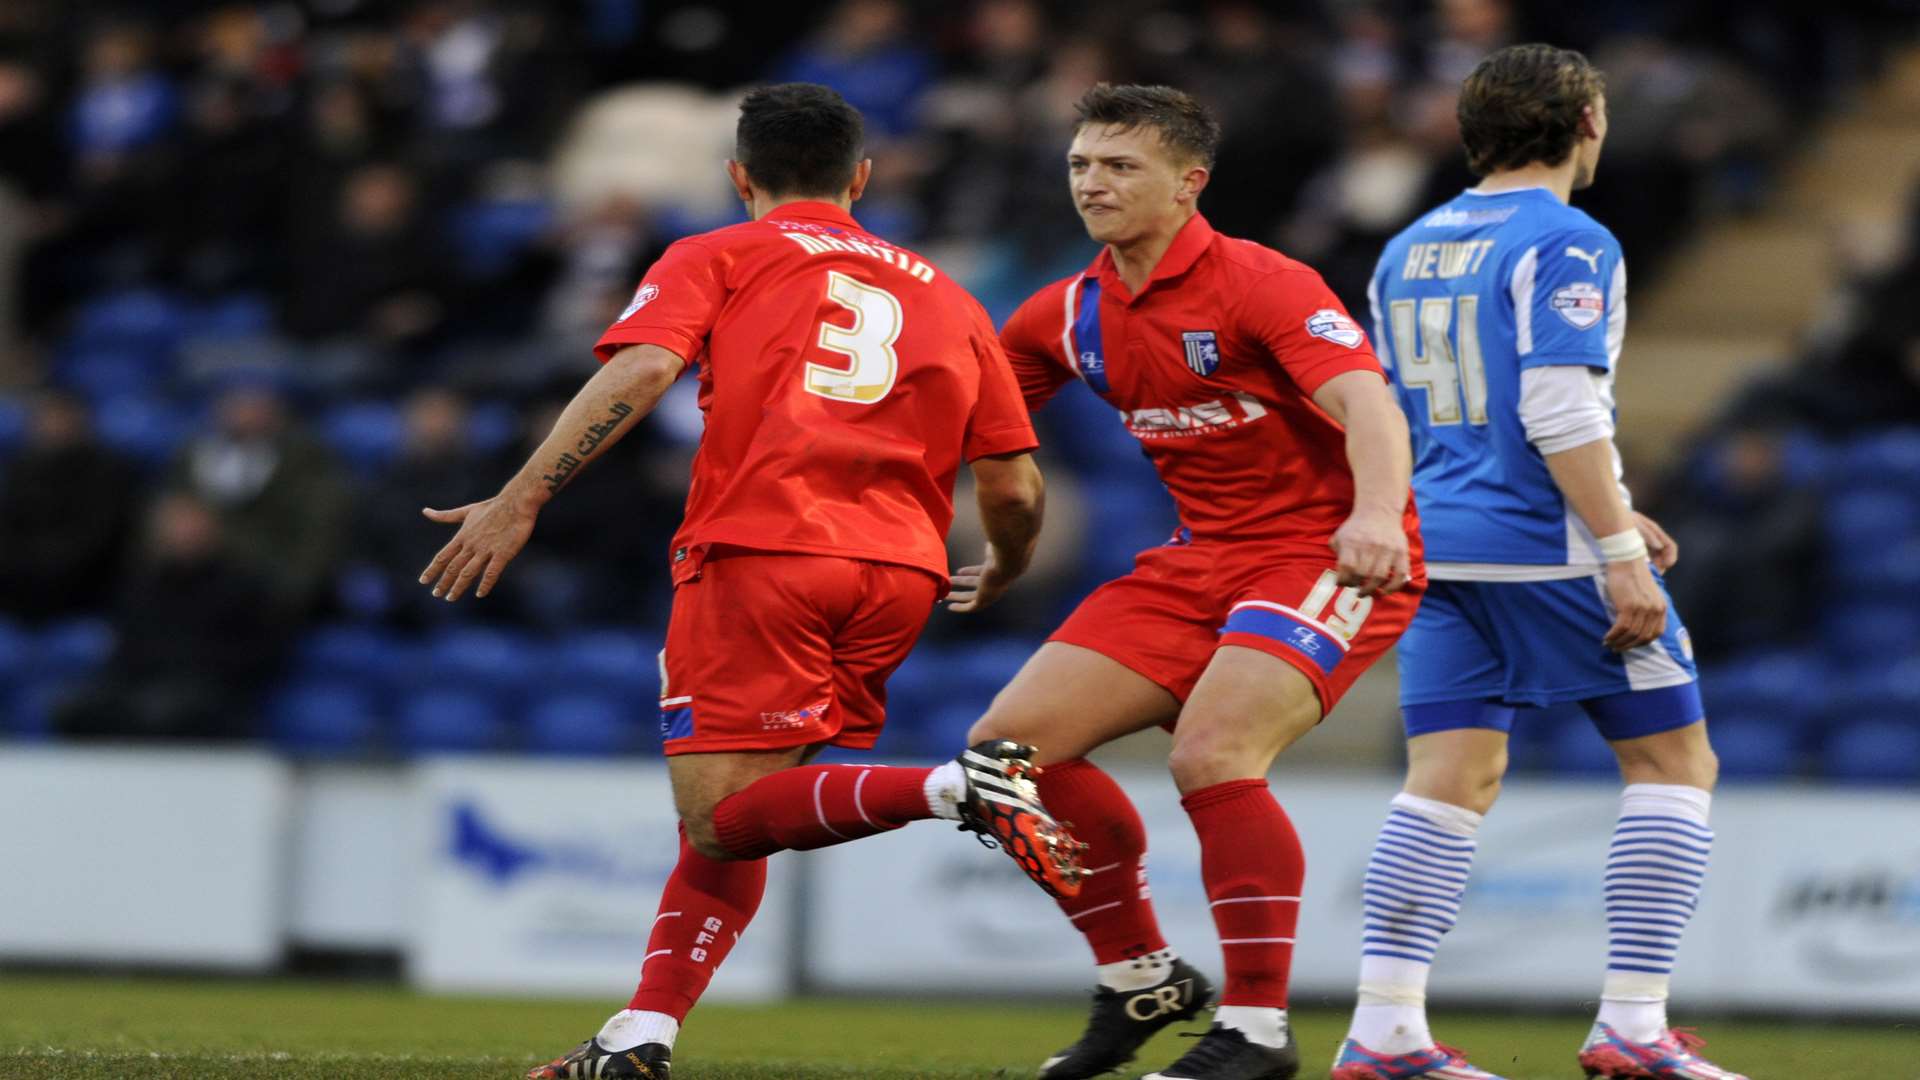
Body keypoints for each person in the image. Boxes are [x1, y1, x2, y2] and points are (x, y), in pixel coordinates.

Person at [415, 83, 1085, 1080]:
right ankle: (642, 1033)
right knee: (772, 809)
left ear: (739, 177)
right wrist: (1006, 568)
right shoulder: (948, 295)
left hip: (762, 553)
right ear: (860, 179)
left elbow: (640, 372)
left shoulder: (716, 254)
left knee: (717, 815)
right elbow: (1014, 483)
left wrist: (520, 498)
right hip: (899, 572)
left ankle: (959, 786)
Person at [971, 84, 1423, 1080]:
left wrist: (1376, 514)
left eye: (1120, 165)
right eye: (1082, 163)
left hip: (1324, 550)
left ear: (1190, 183)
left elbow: (1370, 406)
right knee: (1005, 756)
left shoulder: (1265, 284)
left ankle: (1258, 1031)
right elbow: (967, 420)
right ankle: (1140, 976)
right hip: (1197, 559)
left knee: (1213, 753)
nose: (1094, 182)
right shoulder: (1069, 311)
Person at [1331, 45, 1745, 1080]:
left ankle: (1383, 1030)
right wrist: (1616, 547)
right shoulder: (1568, 238)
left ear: (1472, 133)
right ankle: (1635, 1029)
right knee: (1674, 761)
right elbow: (1556, 407)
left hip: (1438, 544)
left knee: (1448, 778)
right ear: (1588, 126)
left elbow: (1406, 411)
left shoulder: (1409, 246)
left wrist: (1614, 508)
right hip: (1540, 548)